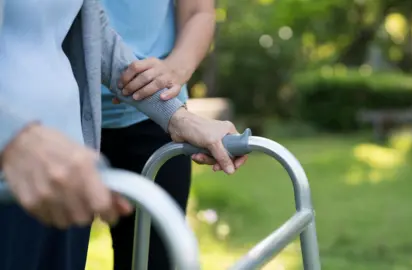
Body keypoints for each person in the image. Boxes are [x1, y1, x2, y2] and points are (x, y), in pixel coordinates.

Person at [0, 1, 246, 270]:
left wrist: (176, 115)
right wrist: (15, 138)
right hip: (15, 167)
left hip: (71, 159)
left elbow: (95, 35)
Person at [98, 0, 216, 269]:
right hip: (57, 118)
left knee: (155, 260)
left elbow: (199, 11)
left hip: (156, 115)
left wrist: (174, 71)